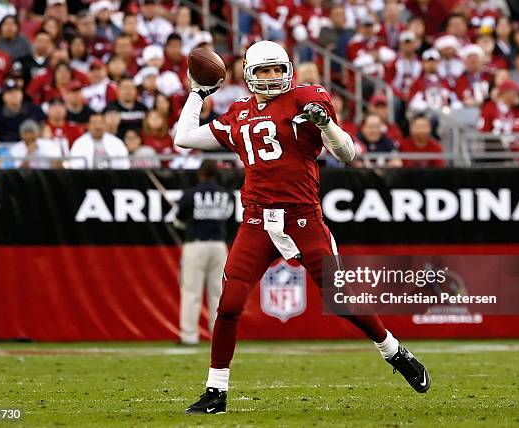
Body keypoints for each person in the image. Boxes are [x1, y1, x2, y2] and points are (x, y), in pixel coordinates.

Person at [175, 40, 431, 415]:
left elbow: (347, 154)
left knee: (340, 299)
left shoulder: (306, 99)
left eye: (278, 68)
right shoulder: (238, 113)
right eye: (264, 70)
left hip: (302, 218)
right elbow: (182, 138)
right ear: (249, 75)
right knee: (228, 305)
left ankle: (394, 351)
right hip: (257, 220)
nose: (274, 76)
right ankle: (217, 390)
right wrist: (198, 94)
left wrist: (326, 125)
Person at [175, 160, 233, 346]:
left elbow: (179, 218)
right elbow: (229, 219)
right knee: (218, 293)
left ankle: (189, 336)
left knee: (191, 292)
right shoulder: (226, 195)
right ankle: (218, 336)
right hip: (218, 245)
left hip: (195, 245)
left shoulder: (191, 194)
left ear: (200, 174)